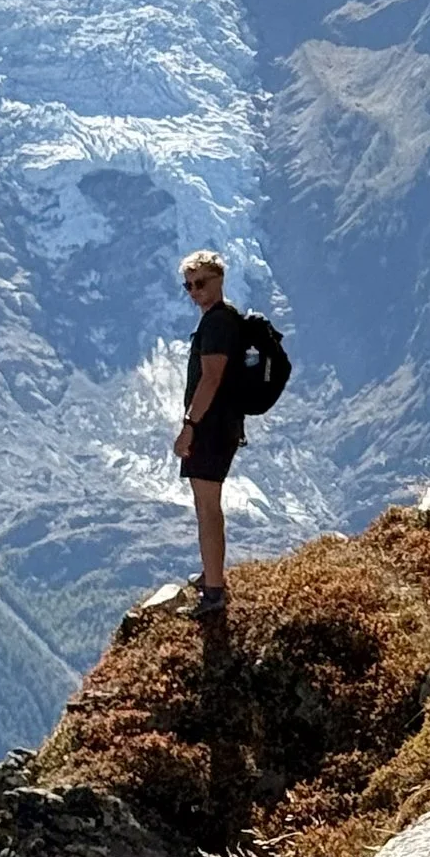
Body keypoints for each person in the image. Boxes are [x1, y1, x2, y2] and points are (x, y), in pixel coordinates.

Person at [174, 249, 245, 618]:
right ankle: (211, 576)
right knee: (207, 505)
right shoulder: (221, 321)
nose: (195, 291)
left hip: (211, 427)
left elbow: (212, 377)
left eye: (201, 282)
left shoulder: (217, 323)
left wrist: (190, 426)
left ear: (219, 279)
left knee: (206, 507)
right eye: (188, 286)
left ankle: (214, 592)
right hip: (219, 425)